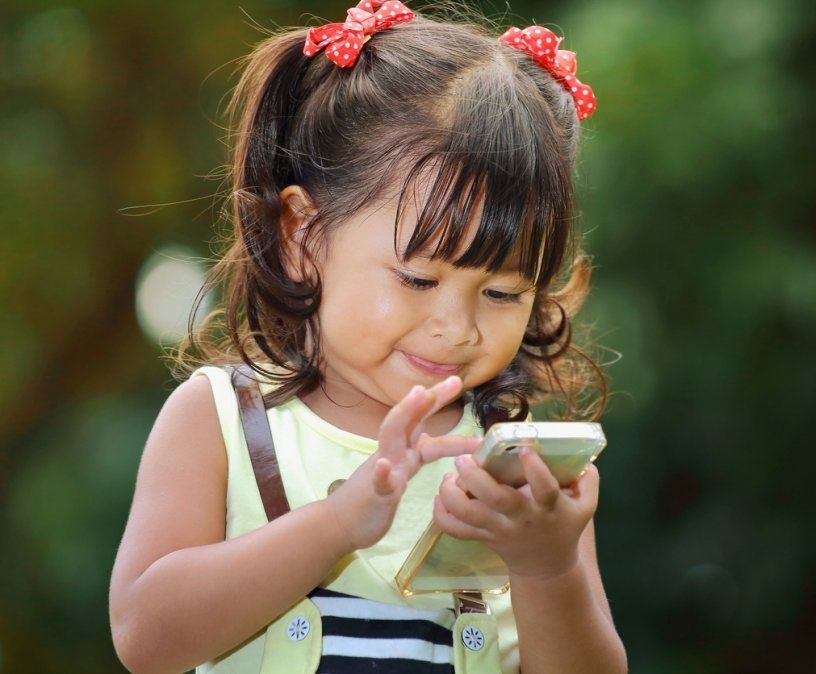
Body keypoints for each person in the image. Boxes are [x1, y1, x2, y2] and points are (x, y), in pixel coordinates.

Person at [109, 2, 625, 672]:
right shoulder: (224, 422)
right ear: (301, 237)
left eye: (502, 293)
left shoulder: (516, 478)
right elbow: (147, 637)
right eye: (417, 279)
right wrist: (337, 524)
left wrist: (548, 567)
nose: (458, 327)